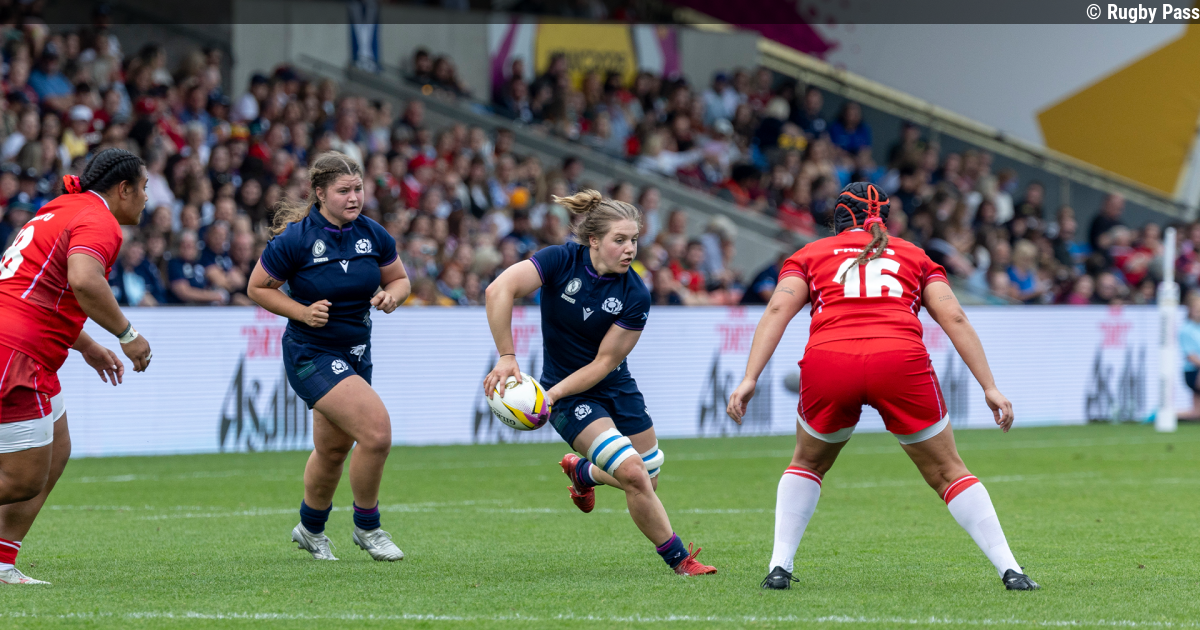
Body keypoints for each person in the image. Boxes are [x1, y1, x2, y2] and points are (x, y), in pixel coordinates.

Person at [726, 182, 1038, 592]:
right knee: (948, 472)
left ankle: (779, 567)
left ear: (837, 219)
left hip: (830, 362)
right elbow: (955, 318)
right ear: (887, 220)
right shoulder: (915, 255)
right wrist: (989, 386)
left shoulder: (808, 255)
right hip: (900, 363)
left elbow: (776, 311)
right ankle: (1010, 570)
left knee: (807, 463)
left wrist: (750, 378)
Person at [482, 189, 716, 577]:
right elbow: (498, 290)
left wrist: (548, 396)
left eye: (634, 240)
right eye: (619, 240)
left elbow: (605, 362)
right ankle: (681, 560)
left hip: (614, 385)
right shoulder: (560, 260)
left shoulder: (635, 293)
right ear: (593, 240)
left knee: (649, 478)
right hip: (570, 395)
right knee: (633, 475)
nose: (630, 249)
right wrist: (508, 355)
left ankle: (584, 473)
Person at [247, 152, 410, 562]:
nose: (354, 197)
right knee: (376, 433)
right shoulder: (295, 240)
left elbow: (400, 279)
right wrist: (301, 312)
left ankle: (310, 528)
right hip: (311, 352)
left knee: (334, 450)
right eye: (343, 191)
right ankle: (368, 528)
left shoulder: (373, 233)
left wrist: (393, 296)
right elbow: (257, 287)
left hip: (357, 352)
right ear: (320, 193)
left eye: (358, 189)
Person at [0, 148, 153, 584]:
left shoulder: (62, 207)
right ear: (123, 189)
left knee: (58, 449)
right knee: (22, 480)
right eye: (143, 188)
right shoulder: (99, 220)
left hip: (23, 346)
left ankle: (2, 561)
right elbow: (85, 280)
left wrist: (85, 345)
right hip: (17, 351)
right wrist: (127, 334)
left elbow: (38, 286)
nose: (147, 197)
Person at [1178, 293, 1200, 421]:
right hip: (1193, 372)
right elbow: (1191, 356)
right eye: (1197, 309)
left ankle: (1162, 414)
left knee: (1196, 414)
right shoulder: (1186, 330)